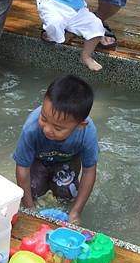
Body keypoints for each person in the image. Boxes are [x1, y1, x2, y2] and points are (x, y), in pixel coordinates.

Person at [13, 75, 98, 223]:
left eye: (58, 128)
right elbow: (22, 168)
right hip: (38, 161)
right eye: (44, 118)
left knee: (68, 192)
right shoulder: (31, 128)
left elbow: (89, 171)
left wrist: (76, 212)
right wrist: (29, 209)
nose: (47, 129)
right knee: (33, 190)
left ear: (79, 125)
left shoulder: (87, 132)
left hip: (68, 161)